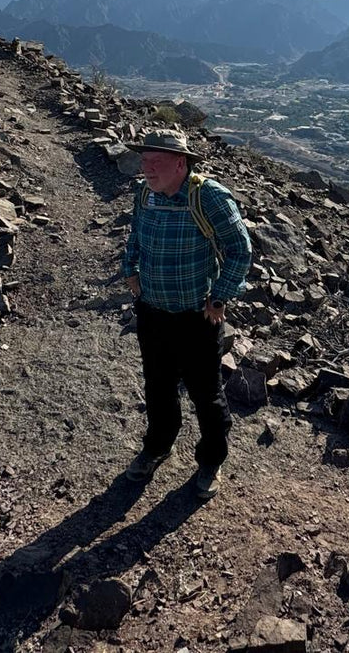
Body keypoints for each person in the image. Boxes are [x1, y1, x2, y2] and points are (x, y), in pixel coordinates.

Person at [118, 128, 252, 499]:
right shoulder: (145, 193)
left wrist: (221, 297)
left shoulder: (208, 196)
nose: (146, 168)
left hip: (197, 316)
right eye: (144, 160)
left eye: (155, 161)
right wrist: (129, 270)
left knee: (205, 393)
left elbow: (240, 250)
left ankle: (211, 459)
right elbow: (135, 236)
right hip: (153, 312)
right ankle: (157, 446)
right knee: (157, 385)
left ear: (181, 163)